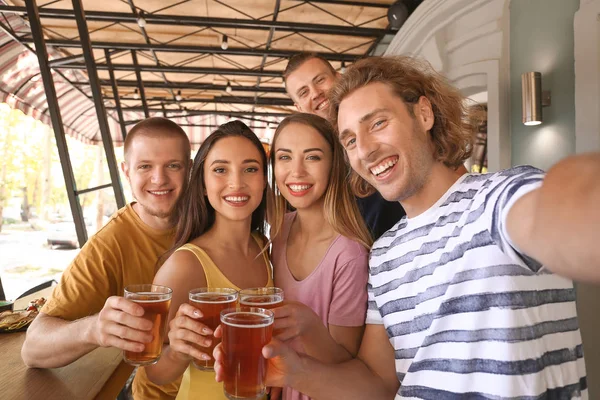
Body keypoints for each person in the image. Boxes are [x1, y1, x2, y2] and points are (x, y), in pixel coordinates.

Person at [215, 56, 597, 399]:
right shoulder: (383, 254)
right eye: (349, 140)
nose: (365, 150)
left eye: (378, 123)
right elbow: (378, 384)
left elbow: (564, 209)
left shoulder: (496, 199)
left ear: (425, 114)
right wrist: (296, 373)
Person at [21, 117, 192, 400]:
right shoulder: (110, 244)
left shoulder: (211, 216)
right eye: (145, 166)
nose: (159, 178)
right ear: (126, 171)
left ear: (190, 170)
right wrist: (95, 329)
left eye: (173, 166)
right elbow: (33, 349)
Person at [143, 121, 273, 399]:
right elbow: (152, 372)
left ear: (264, 180)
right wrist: (177, 351)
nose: (236, 182)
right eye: (220, 170)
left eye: (250, 169)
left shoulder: (264, 248)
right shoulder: (184, 265)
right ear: (202, 184)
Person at [268, 113, 372, 400]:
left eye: (312, 157)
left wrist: (309, 327)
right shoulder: (277, 233)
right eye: (284, 157)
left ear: (334, 166)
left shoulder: (350, 253)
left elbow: (347, 365)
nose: (296, 172)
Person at [283, 52, 406, 239]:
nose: (315, 93)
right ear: (299, 107)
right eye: (304, 92)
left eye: (320, 80)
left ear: (338, 78)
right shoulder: (309, 160)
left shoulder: (375, 115)